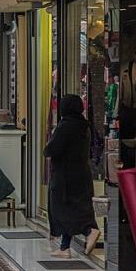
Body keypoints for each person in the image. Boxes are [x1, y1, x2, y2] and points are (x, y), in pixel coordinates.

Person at [44, 94, 101, 257]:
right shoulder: (84, 125)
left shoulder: (66, 125)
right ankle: (65, 247)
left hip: (65, 176)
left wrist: (46, 149)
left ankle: (89, 230)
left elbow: (52, 149)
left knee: (61, 208)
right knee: (73, 207)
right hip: (81, 174)